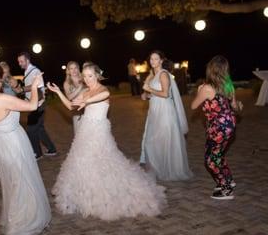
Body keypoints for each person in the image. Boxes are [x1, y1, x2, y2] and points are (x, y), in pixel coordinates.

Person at [47, 62, 166, 221]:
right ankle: (87, 194)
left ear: (96, 75)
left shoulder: (103, 90)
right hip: (85, 130)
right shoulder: (86, 92)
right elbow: (70, 106)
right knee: (83, 161)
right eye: (85, 77)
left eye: (90, 76)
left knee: (104, 160)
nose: (88, 79)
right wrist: (58, 92)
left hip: (99, 131)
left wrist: (86, 101)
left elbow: (104, 96)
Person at [0, 62, 51, 235]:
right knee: (22, 182)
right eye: (1, 78)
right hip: (13, 144)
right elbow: (32, 106)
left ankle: (15, 218)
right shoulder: (0, 99)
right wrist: (34, 86)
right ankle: (23, 222)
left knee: (12, 182)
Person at [190, 55, 242, 200]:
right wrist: (239, 106)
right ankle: (229, 180)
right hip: (229, 124)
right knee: (217, 154)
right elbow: (234, 106)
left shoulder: (206, 88)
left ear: (210, 69)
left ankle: (226, 188)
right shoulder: (229, 85)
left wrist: (200, 90)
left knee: (210, 160)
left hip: (218, 126)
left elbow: (194, 105)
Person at [140, 50, 193, 181]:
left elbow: (165, 94)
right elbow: (153, 93)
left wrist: (149, 89)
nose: (153, 61)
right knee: (152, 140)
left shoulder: (164, 74)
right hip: (154, 110)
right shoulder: (153, 74)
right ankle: (158, 168)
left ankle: (169, 169)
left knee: (164, 139)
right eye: (151, 59)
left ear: (161, 60)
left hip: (165, 110)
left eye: (156, 59)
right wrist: (146, 95)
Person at [17, 52, 57, 160]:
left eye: (21, 61)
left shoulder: (35, 71)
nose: (19, 63)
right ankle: (51, 149)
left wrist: (23, 89)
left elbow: (39, 87)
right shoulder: (27, 71)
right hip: (34, 104)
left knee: (31, 130)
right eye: (19, 61)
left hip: (38, 105)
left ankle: (37, 153)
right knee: (39, 129)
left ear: (27, 60)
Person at [63, 61, 85, 131]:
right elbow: (69, 97)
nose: (74, 70)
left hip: (89, 106)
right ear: (68, 71)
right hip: (77, 110)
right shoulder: (67, 83)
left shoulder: (84, 77)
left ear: (78, 68)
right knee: (81, 133)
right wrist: (80, 87)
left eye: (75, 68)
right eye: (71, 68)